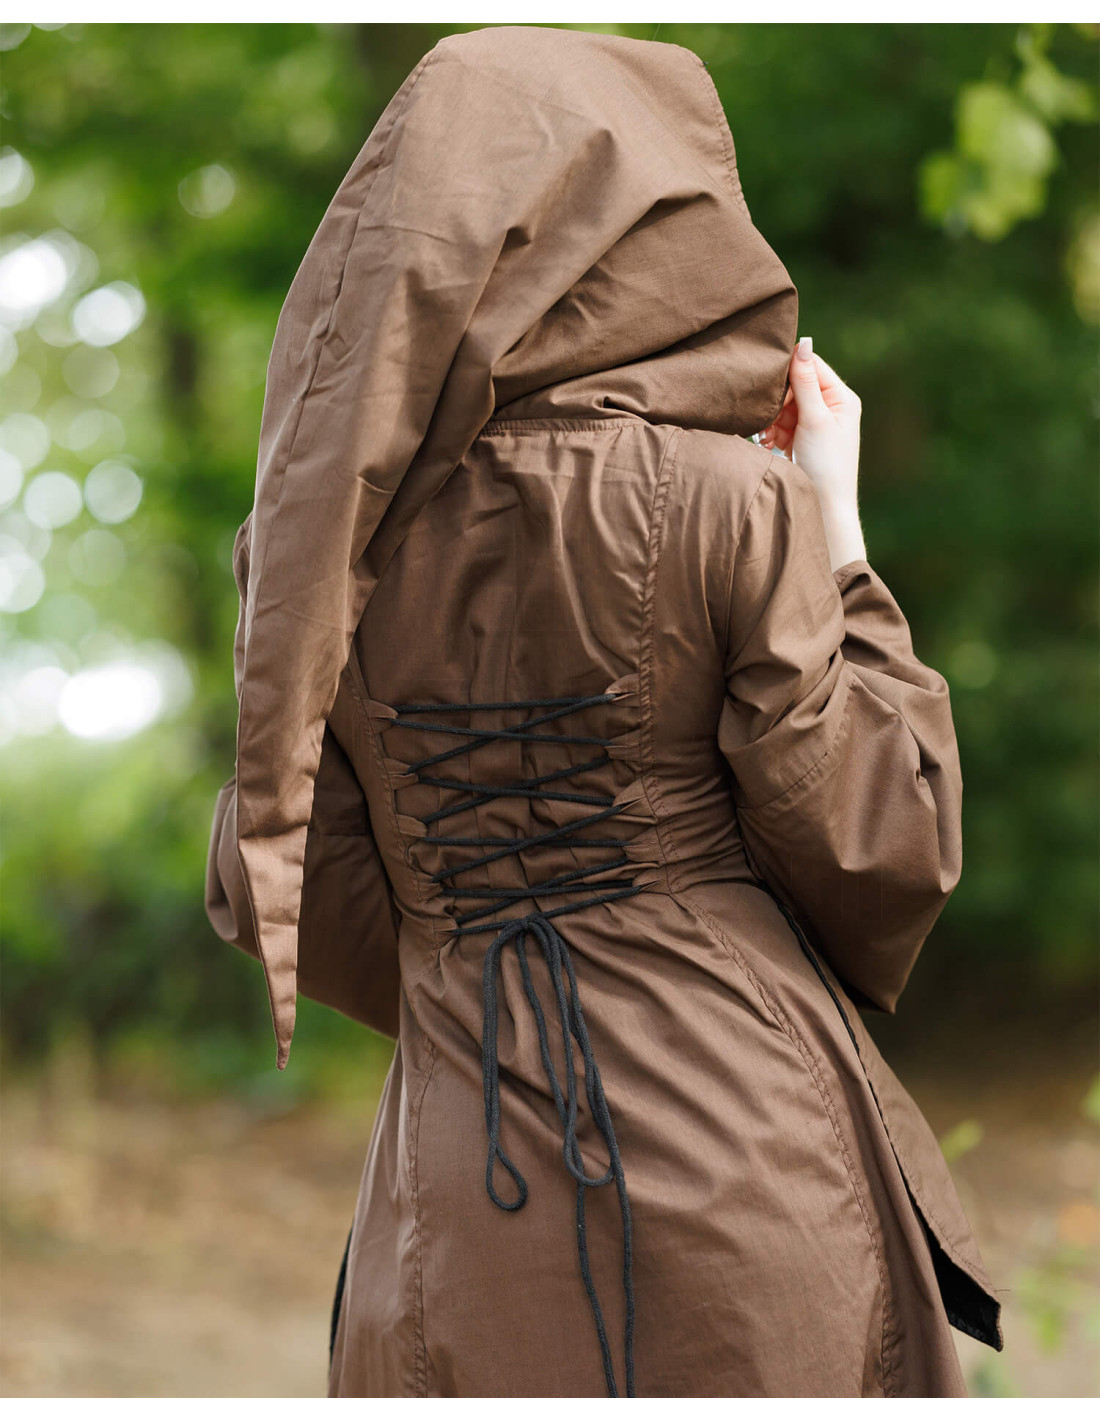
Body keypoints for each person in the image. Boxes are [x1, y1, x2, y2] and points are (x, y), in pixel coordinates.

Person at [204, 25, 1004, 1398]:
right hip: (752, 1158)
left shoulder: (314, 561)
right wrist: (839, 531)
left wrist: (474, 960)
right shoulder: (731, 502)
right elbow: (883, 845)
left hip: (458, 1190)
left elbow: (303, 892)